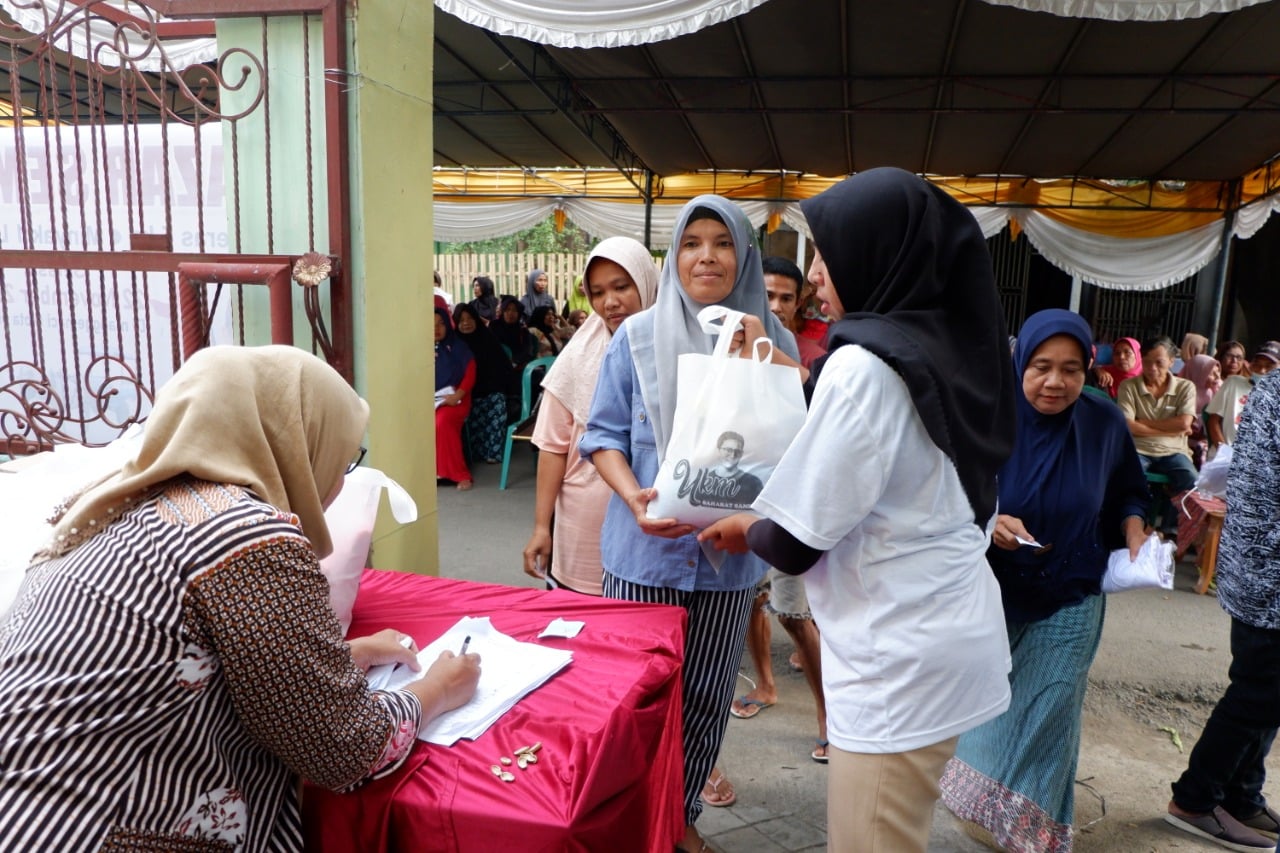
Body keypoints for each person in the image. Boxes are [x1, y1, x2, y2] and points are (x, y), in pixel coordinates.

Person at [0, 345, 481, 851]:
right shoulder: (244, 536)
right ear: (295, 445)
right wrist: (436, 690)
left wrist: (347, 657)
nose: (339, 482)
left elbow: (174, 659)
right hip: (87, 828)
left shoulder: (117, 505)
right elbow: (346, 749)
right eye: (343, 461)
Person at [700, 167, 1017, 853]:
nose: (814, 275)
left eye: (827, 253)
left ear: (881, 254)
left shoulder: (865, 366)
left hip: (895, 662)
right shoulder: (942, 349)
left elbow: (794, 538)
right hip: (950, 637)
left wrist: (738, 525)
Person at [580, 195, 800, 853]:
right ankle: (624, 820)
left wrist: (771, 361)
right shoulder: (638, 335)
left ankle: (676, 819)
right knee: (636, 699)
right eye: (692, 242)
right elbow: (602, 435)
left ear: (745, 255)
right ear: (674, 255)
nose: (706, 256)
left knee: (704, 696)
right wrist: (634, 499)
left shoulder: (777, 339)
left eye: (722, 242)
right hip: (643, 554)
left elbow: (803, 444)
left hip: (729, 561)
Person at [938, 309, 1150, 853]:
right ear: (1018, 363)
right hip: (991, 592)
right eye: (1041, 367)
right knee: (992, 707)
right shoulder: (984, 418)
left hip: (1072, 588)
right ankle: (988, 811)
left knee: (1050, 709)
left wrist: (1133, 529)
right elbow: (944, 499)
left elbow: (1130, 488)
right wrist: (989, 523)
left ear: (1089, 371)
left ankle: (1033, 837)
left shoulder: (1103, 422)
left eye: (1071, 369)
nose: (1055, 382)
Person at [1164, 370, 1280, 853]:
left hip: (1259, 564)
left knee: (1267, 692)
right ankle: (1195, 799)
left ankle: (1239, 794)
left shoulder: (1273, 388)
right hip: (1268, 571)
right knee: (1261, 692)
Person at [730, 254, 829, 764]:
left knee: (792, 611)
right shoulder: (726, 344)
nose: (775, 305)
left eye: (786, 297)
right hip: (739, 496)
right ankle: (766, 686)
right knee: (748, 600)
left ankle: (827, 716)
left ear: (800, 302)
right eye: (766, 295)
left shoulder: (808, 354)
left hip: (789, 507)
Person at [521, 236, 658, 596]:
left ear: (646, 281)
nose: (609, 302)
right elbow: (552, 446)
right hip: (585, 527)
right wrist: (540, 527)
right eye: (597, 293)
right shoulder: (578, 357)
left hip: (657, 529)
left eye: (621, 286)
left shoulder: (675, 346)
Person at [1116, 336, 1197, 533]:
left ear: (1171, 361)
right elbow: (1127, 426)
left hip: (1174, 451)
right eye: (1147, 361)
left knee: (1192, 482)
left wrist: (1142, 423)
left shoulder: (1185, 387)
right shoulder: (1129, 386)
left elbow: (1185, 423)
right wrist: (1170, 427)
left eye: (1159, 362)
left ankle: (1173, 529)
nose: (1152, 368)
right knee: (1126, 478)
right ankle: (1135, 526)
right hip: (1138, 448)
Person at [453, 302, 514, 465]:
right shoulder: (454, 345)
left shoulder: (487, 339)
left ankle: (493, 452)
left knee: (497, 401)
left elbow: (503, 368)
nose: (466, 323)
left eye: (470, 318)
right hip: (466, 393)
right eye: (461, 320)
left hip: (489, 391)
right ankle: (473, 452)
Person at [1206, 340, 1280, 453]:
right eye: (1258, 365)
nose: (1262, 371)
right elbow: (1213, 422)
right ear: (1251, 365)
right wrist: (1224, 452)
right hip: (1226, 455)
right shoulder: (1233, 383)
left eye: (1269, 367)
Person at [434, 306, 475, 491]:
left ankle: (460, 474)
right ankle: (432, 472)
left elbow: (470, 372)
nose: (436, 328)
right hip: (431, 399)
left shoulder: (458, 346)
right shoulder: (422, 349)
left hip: (456, 398)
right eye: (432, 324)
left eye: (441, 323)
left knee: (442, 421)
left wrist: (458, 395)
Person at [491, 295, 536, 371]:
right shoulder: (494, 326)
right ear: (503, 311)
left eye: (515, 310)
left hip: (518, 367)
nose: (510, 313)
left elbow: (528, 351)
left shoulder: (523, 330)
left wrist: (514, 361)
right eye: (507, 310)